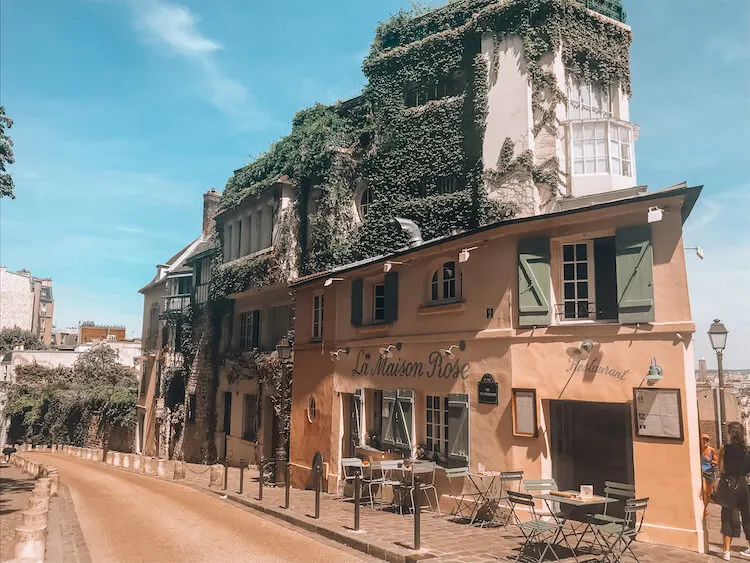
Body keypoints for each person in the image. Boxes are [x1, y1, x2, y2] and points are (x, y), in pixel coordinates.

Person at [718, 422, 750, 560]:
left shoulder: (724, 449)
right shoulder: (747, 450)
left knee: (728, 516)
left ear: (730, 433)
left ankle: (726, 552)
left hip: (728, 484)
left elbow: (720, 468)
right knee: (748, 516)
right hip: (743, 483)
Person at [702, 433, 719, 517]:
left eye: (706, 440)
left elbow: (717, 462)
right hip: (702, 473)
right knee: (704, 491)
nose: (705, 441)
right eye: (703, 439)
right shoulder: (698, 450)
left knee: (709, 494)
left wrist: (710, 460)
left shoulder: (711, 450)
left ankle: (705, 508)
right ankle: (703, 510)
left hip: (710, 473)